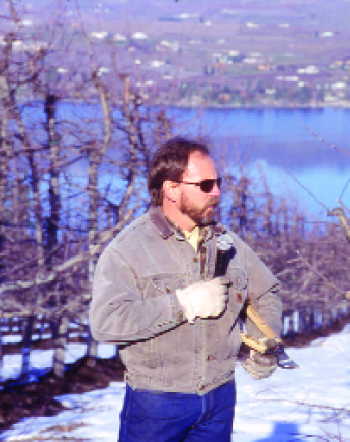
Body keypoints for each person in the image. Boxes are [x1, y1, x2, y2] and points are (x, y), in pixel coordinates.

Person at [89, 136, 283, 442]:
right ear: (171, 190)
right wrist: (185, 305)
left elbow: (266, 291)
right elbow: (105, 323)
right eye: (205, 185)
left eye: (219, 182)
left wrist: (266, 342)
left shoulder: (227, 242)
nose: (217, 193)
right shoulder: (127, 250)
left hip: (220, 398)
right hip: (157, 403)